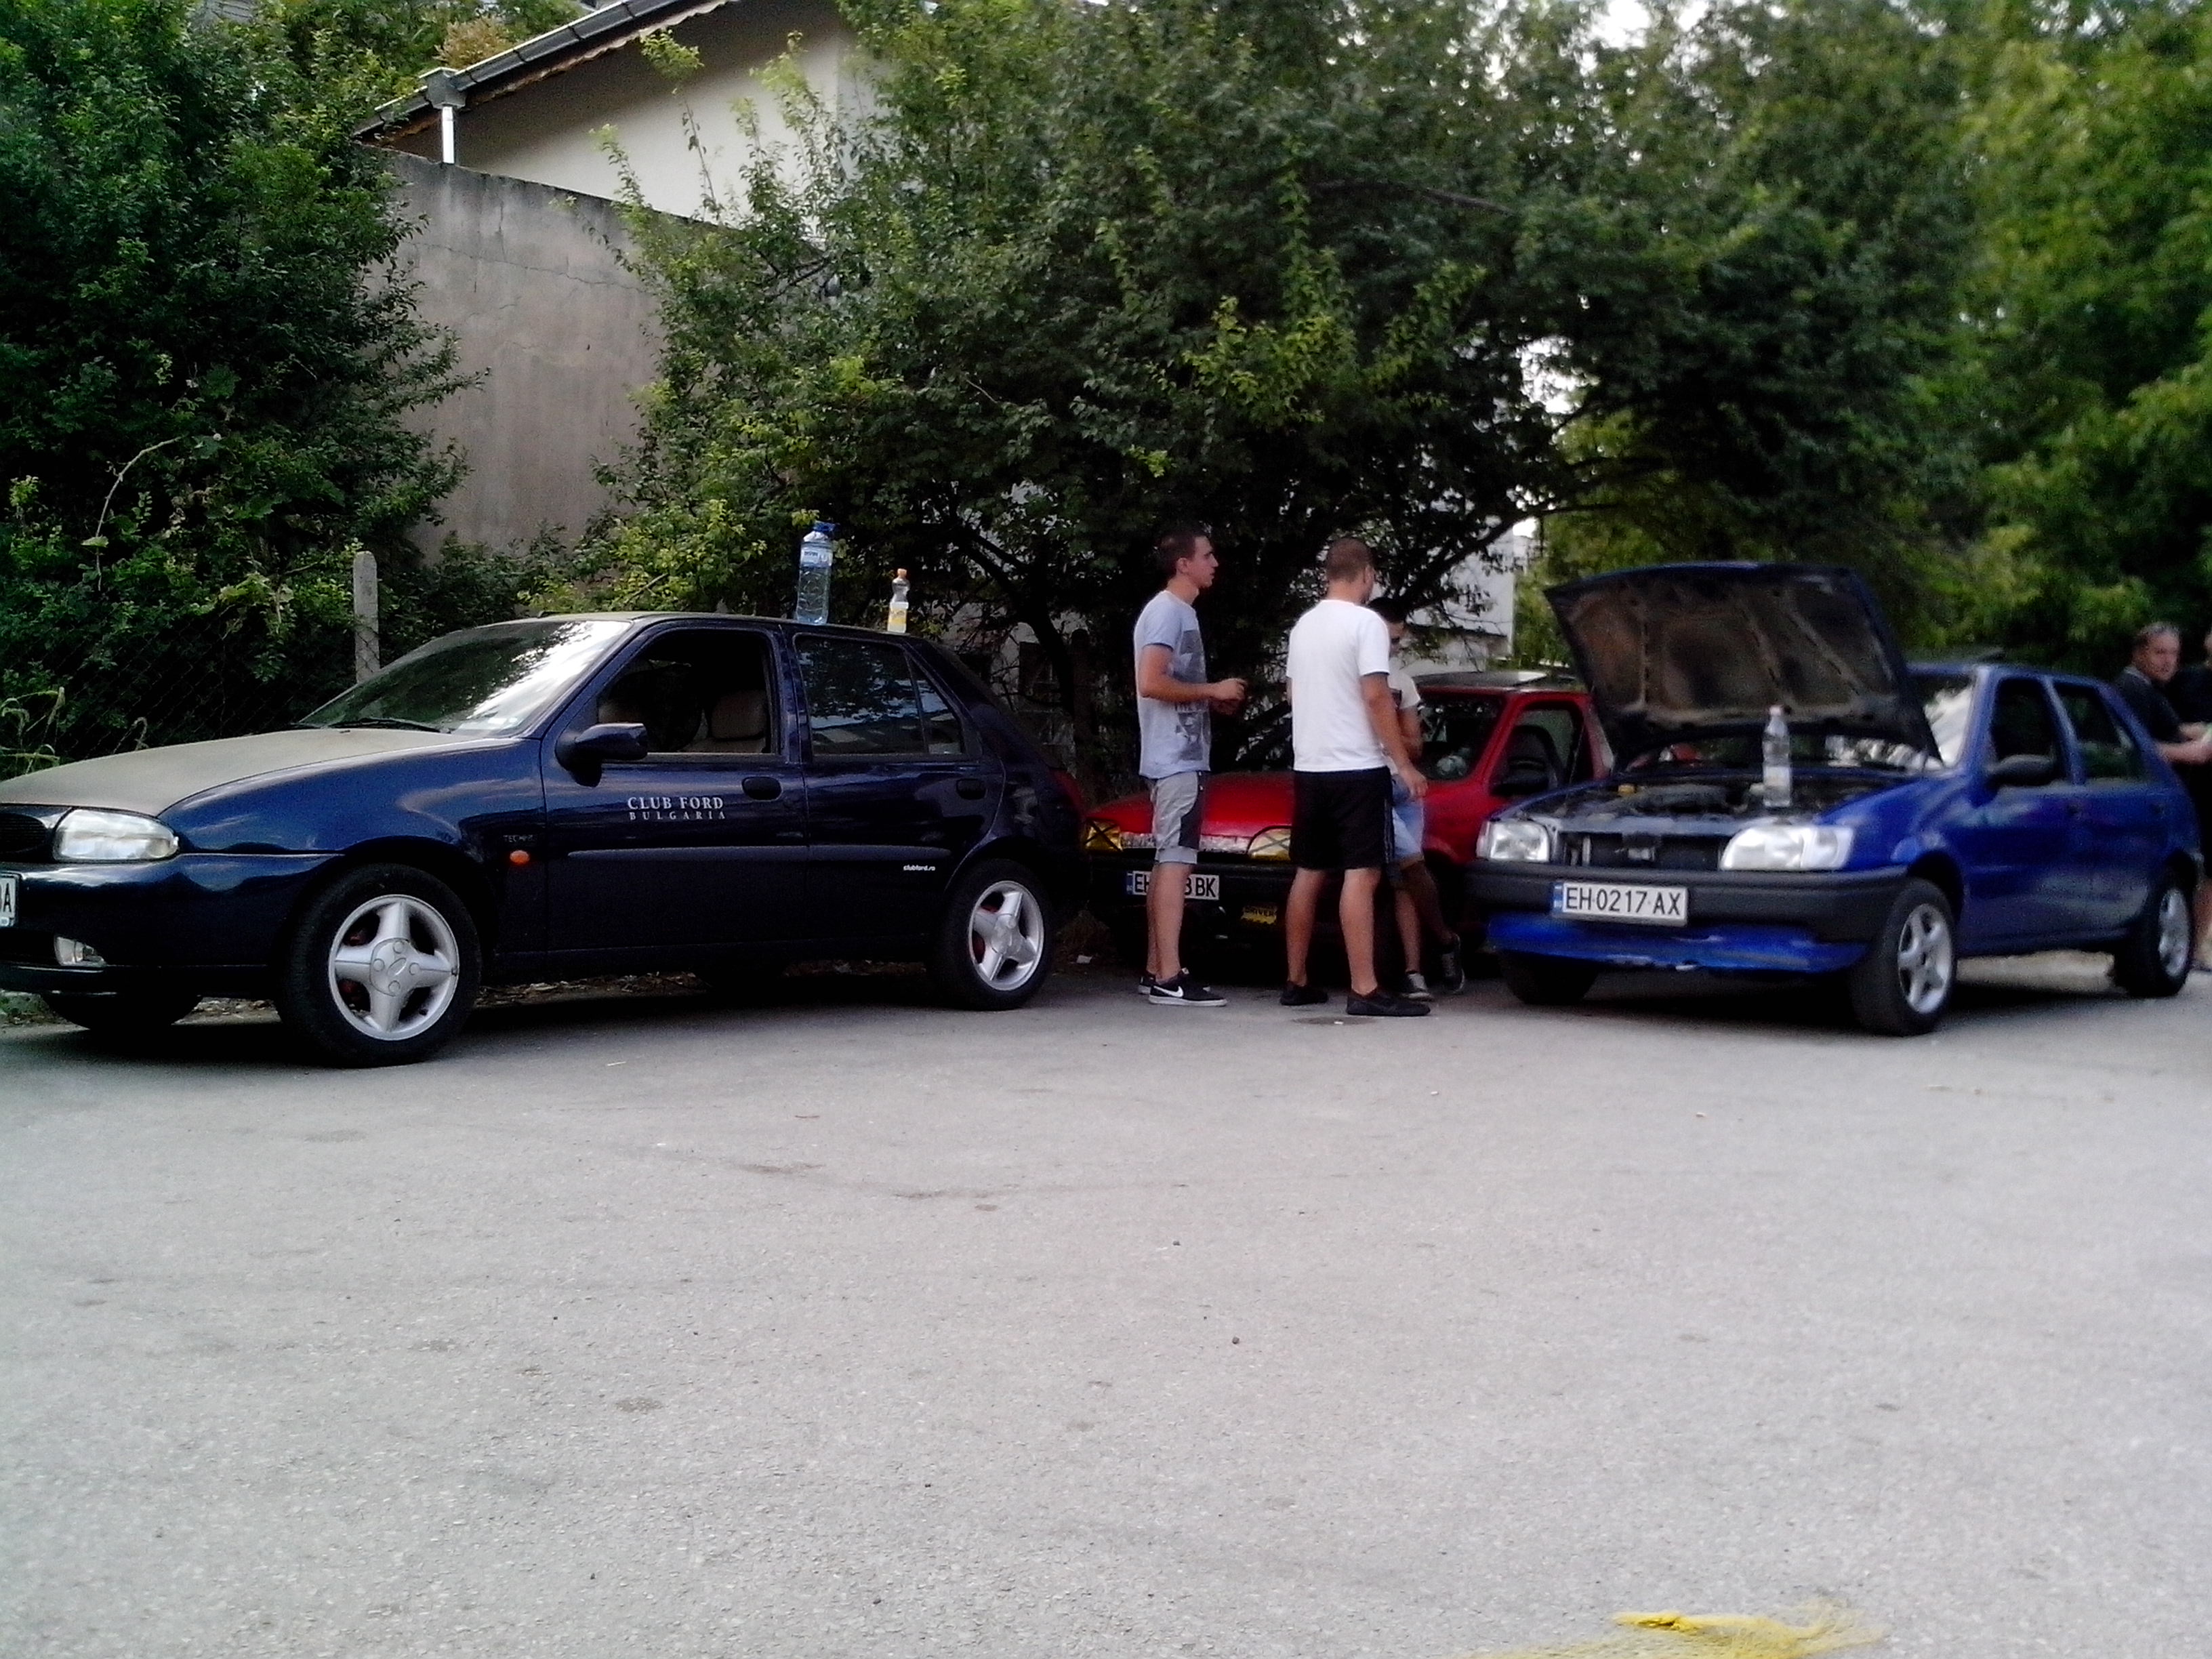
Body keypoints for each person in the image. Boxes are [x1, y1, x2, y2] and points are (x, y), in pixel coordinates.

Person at [1279, 539, 1431, 1017]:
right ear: (1366, 574)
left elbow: (1292, 695)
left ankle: (1296, 980)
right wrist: (1403, 763)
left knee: (1309, 871)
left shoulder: (1303, 627)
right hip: (1357, 767)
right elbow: (1376, 697)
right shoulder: (1366, 624)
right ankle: (1364, 988)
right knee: (1362, 873)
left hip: (1310, 765)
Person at [1132, 523, 1246, 1007]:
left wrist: (1207, 701)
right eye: (1207, 555)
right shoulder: (1168, 613)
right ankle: (1169, 976)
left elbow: (1168, 686)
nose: (1215, 563)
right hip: (1176, 759)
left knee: (1168, 861)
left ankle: (1155, 968)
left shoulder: (1177, 613)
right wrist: (1212, 689)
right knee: (1176, 862)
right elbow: (1151, 682)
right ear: (1184, 564)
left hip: (1175, 756)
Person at [1371, 598, 1465, 999]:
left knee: (1405, 880)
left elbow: (1415, 745)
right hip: (1369, 781)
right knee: (1408, 863)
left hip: (1402, 784)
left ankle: (1414, 971)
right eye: (1386, 638)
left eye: (1397, 641)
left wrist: (1387, 733)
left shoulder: (1401, 683)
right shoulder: (1355, 675)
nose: (1391, 648)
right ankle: (1444, 939)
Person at [2158, 625, 2212, 966]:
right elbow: (2165, 723)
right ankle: (2165, 940)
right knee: (2178, 863)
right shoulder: (2185, 679)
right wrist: (2188, 733)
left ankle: (2196, 946)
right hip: (2182, 781)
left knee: (2211, 870)